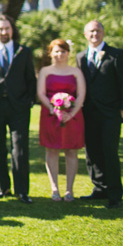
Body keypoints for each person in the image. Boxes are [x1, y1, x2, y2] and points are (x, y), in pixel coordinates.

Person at [0, 14, 36, 204]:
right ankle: (3, 187)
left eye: (7, 28)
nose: (3, 32)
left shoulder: (24, 51)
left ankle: (22, 190)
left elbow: (30, 78)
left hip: (18, 106)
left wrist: (29, 101)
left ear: (12, 30)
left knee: (20, 148)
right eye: (0, 29)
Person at [77, 20, 123, 208]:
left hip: (111, 113)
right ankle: (100, 189)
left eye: (98, 30)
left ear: (103, 33)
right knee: (92, 152)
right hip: (89, 113)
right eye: (91, 31)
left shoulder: (117, 55)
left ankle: (115, 193)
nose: (94, 34)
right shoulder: (80, 57)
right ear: (85, 34)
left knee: (109, 151)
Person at [37, 39, 86, 201]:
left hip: (73, 116)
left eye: (63, 51)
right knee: (52, 150)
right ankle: (55, 189)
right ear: (50, 53)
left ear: (68, 53)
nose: (60, 54)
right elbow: (41, 93)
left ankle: (69, 190)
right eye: (56, 51)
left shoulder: (76, 72)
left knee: (71, 151)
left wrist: (71, 113)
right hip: (50, 116)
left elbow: (81, 95)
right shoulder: (45, 71)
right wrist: (53, 109)